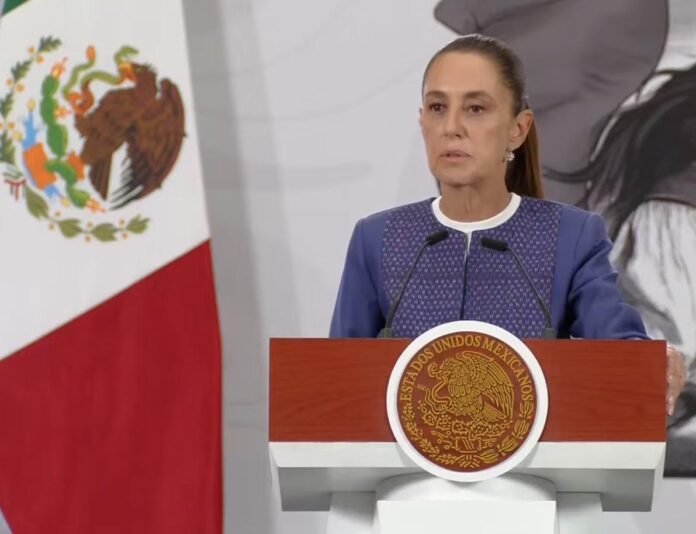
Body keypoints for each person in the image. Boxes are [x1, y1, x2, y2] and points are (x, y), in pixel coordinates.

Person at [328, 34, 686, 414]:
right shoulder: (379, 239)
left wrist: (655, 359)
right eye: (437, 107)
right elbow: (334, 377)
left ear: (517, 129)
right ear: (422, 121)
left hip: (535, 453)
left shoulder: (570, 237)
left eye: (475, 108)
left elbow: (619, 345)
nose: (451, 127)